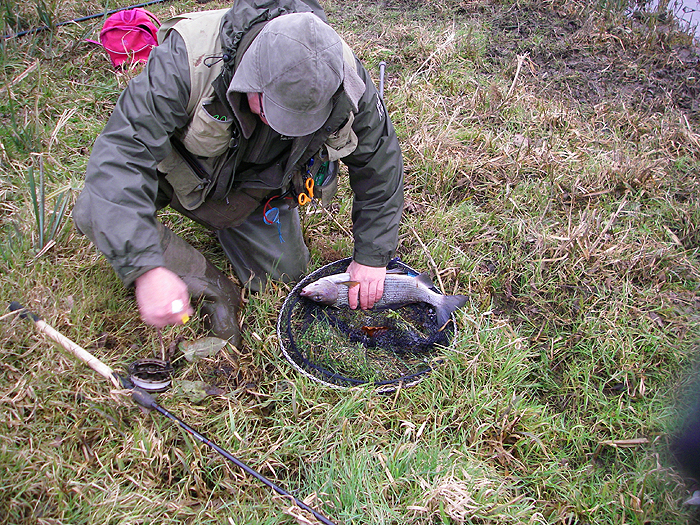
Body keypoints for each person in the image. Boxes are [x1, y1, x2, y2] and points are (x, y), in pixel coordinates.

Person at [73, 0, 404, 347]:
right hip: (175, 172)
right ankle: (211, 287)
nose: (287, 127)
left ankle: (232, 222)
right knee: (100, 208)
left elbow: (379, 159)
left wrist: (372, 257)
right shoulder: (187, 59)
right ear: (251, 76)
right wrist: (146, 267)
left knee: (285, 277)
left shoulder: (342, 75)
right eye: (274, 110)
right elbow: (122, 154)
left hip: (254, 189)